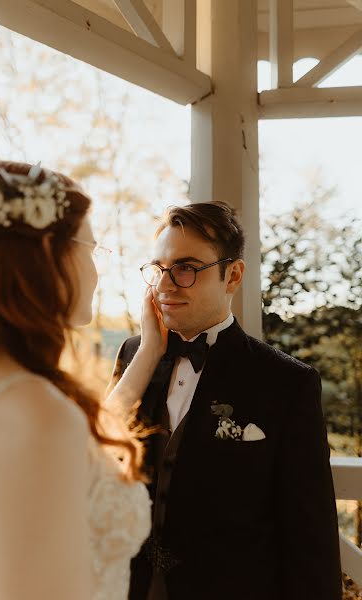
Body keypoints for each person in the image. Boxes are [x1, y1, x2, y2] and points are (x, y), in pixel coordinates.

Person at [108, 201, 343, 600]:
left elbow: (310, 535)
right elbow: (95, 457)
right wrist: (149, 350)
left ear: (232, 275)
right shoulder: (134, 355)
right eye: (158, 269)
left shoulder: (287, 382)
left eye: (185, 268)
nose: (165, 286)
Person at [0, 160, 162, 600]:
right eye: (91, 248)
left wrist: (148, 352)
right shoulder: (36, 419)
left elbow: (88, 434)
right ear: (52, 256)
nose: (96, 269)